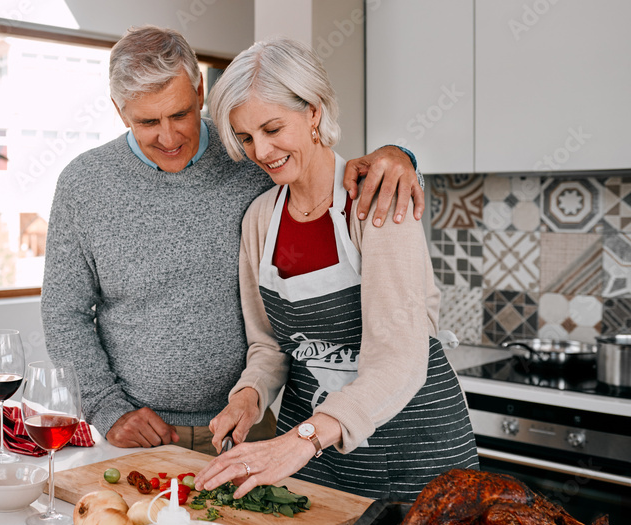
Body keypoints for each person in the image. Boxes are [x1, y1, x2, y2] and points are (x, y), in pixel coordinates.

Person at [41, 26, 425, 454]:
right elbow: (64, 313)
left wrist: (399, 156)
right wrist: (106, 409)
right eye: (148, 122)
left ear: (200, 88)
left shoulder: (247, 156)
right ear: (119, 110)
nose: (169, 138)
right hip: (137, 433)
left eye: (181, 114)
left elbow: (326, 175)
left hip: (249, 427)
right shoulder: (84, 185)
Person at [192, 37, 478, 499]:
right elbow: (270, 345)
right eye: (246, 138)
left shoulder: (377, 201)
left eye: (272, 128)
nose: (261, 151)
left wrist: (302, 440)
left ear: (313, 112)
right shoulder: (261, 219)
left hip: (410, 453)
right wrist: (249, 397)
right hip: (313, 459)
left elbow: (400, 361)